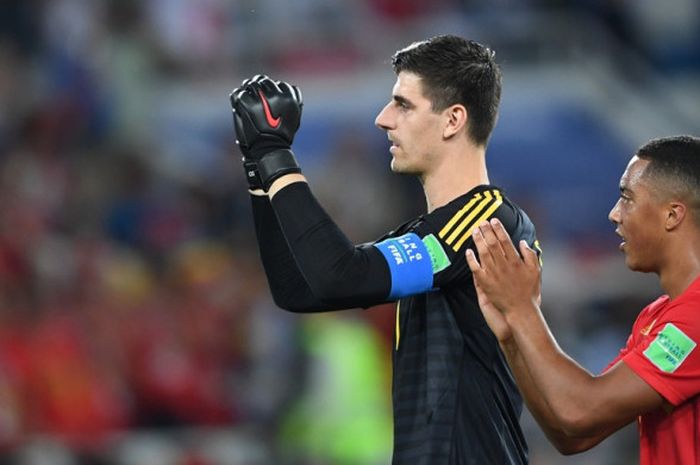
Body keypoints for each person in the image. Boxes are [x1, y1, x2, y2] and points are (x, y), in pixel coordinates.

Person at [229, 35, 539, 464]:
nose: (383, 119)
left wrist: (275, 154)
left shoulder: (486, 221)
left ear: (453, 120)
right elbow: (298, 290)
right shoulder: (433, 232)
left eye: (403, 105)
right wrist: (257, 167)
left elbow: (341, 275)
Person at [465, 135, 700, 465]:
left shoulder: (695, 318)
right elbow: (573, 435)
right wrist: (511, 335)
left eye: (627, 199)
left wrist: (523, 309)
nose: (614, 214)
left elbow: (580, 411)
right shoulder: (657, 316)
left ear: (672, 215)